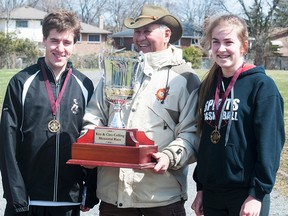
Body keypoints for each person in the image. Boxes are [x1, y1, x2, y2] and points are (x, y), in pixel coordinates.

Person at [81, 4, 200, 216]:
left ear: (166, 34)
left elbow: (191, 133)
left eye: (147, 31)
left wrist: (169, 157)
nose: (140, 38)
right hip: (114, 197)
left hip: (161, 197)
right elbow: (95, 115)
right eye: (137, 32)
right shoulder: (118, 67)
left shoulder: (185, 77)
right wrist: (90, 147)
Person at [0, 10, 97, 216]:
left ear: (74, 44)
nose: (60, 48)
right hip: (28, 200)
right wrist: (16, 195)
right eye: (54, 41)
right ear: (44, 40)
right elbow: (7, 143)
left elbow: (92, 139)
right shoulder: (21, 82)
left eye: (67, 42)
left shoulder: (85, 85)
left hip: (67, 201)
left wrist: (90, 189)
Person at [191, 14, 285, 216]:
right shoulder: (208, 86)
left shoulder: (261, 86)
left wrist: (257, 194)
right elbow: (205, 141)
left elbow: (270, 145)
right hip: (213, 194)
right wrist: (201, 188)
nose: (221, 48)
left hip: (245, 194)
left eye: (228, 42)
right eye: (216, 42)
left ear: (243, 46)